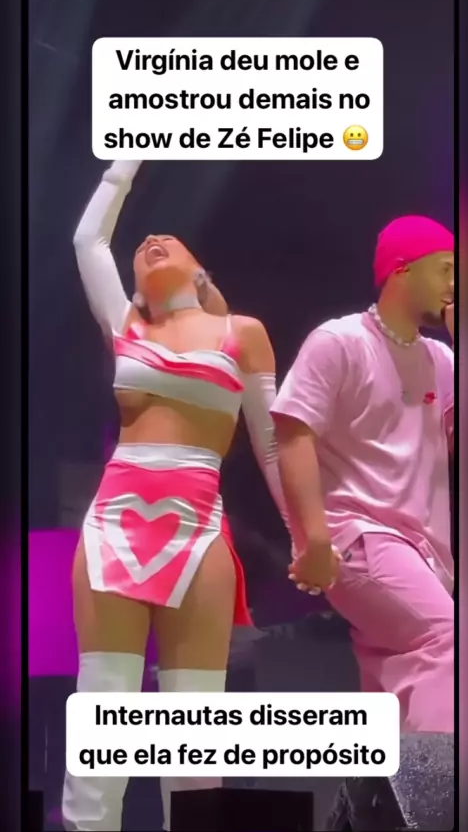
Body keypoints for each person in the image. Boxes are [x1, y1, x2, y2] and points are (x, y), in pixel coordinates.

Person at [62, 160, 288, 831]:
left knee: (195, 736)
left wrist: (310, 533)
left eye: (169, 240)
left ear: (201, 274)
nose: (151, 241)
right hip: (113, 526)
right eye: (142, 247)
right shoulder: (126, 326)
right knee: (103, 721)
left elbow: (273, 444)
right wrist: (125, 162)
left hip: (198, 528)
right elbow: (88, 240)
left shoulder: (240, 334)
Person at [271, 215, 455, 732]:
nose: (455, 284)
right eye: (445, 269)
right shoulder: (340, 340)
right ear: (402, 270)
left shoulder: (442, 358)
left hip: (422, 548)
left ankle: (394, 782)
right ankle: (444, 782)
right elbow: (293, 433)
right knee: (448, 640)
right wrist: (312, 539)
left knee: (394, 677)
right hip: (358, 536)